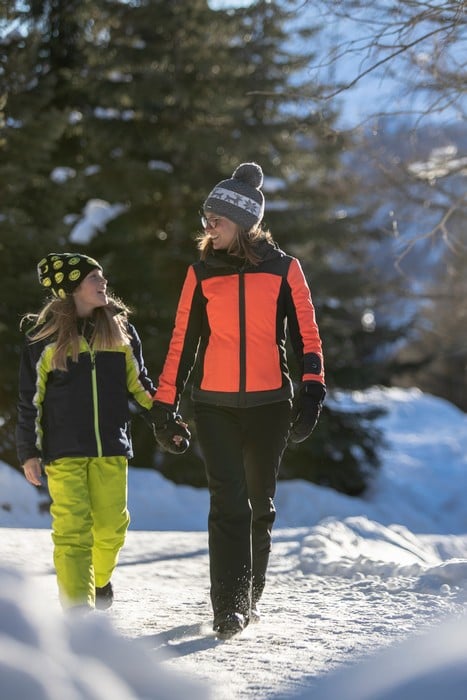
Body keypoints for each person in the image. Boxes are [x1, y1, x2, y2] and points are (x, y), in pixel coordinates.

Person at [153, 162, 326, 638]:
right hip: (214, 405)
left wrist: (312, 391)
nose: (207, 226)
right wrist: (163, 406)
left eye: (217, 219)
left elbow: (307, 336)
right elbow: (181, 343)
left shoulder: (285, 269)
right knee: (227, 502)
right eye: (206, 217)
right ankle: (228, 604)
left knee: (259, 505)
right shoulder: (201, 273)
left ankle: (251, 593)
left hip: (271, 405)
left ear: (244, 221)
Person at [16, 253, 190, 612]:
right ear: (74, 288)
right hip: (63, 452)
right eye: (95, 278)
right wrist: (29, 452)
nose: (103, 283)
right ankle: (79, 618)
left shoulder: (119, 331)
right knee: (72, 535)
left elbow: (140, 385)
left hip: (111, 447)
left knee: (112, 528)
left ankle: (99, 580)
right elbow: (30, 401)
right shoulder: (44, 340)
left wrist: (165, 420)